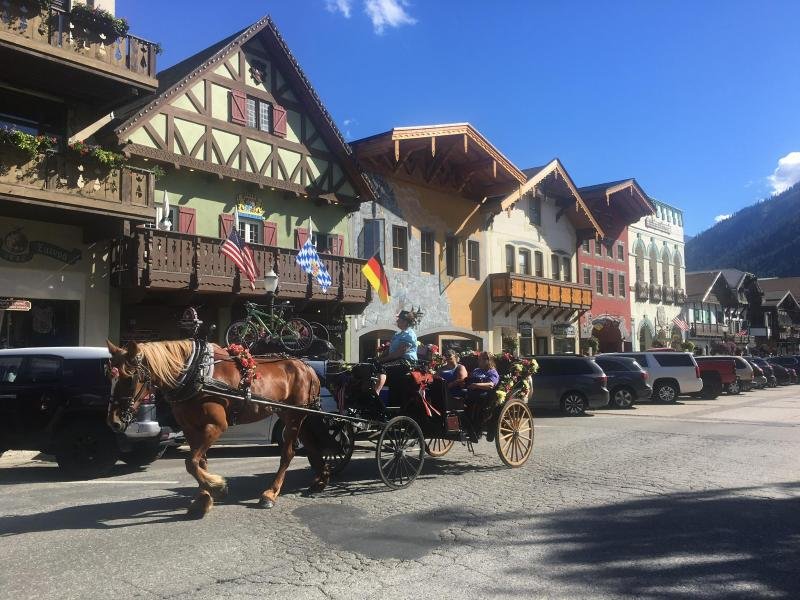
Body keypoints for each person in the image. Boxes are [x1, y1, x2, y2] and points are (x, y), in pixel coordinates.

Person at [374, 309, 419, 395]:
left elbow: (398, 353)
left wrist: (381, 361)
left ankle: (376, 393)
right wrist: (377, 358)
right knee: (373, 366)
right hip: (397, 360)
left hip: (407, 362)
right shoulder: (397, 334)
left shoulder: (409, 334)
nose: (397, 321)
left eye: (399, 319)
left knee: (381, 367)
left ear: (405, 322)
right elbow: (390, 351)